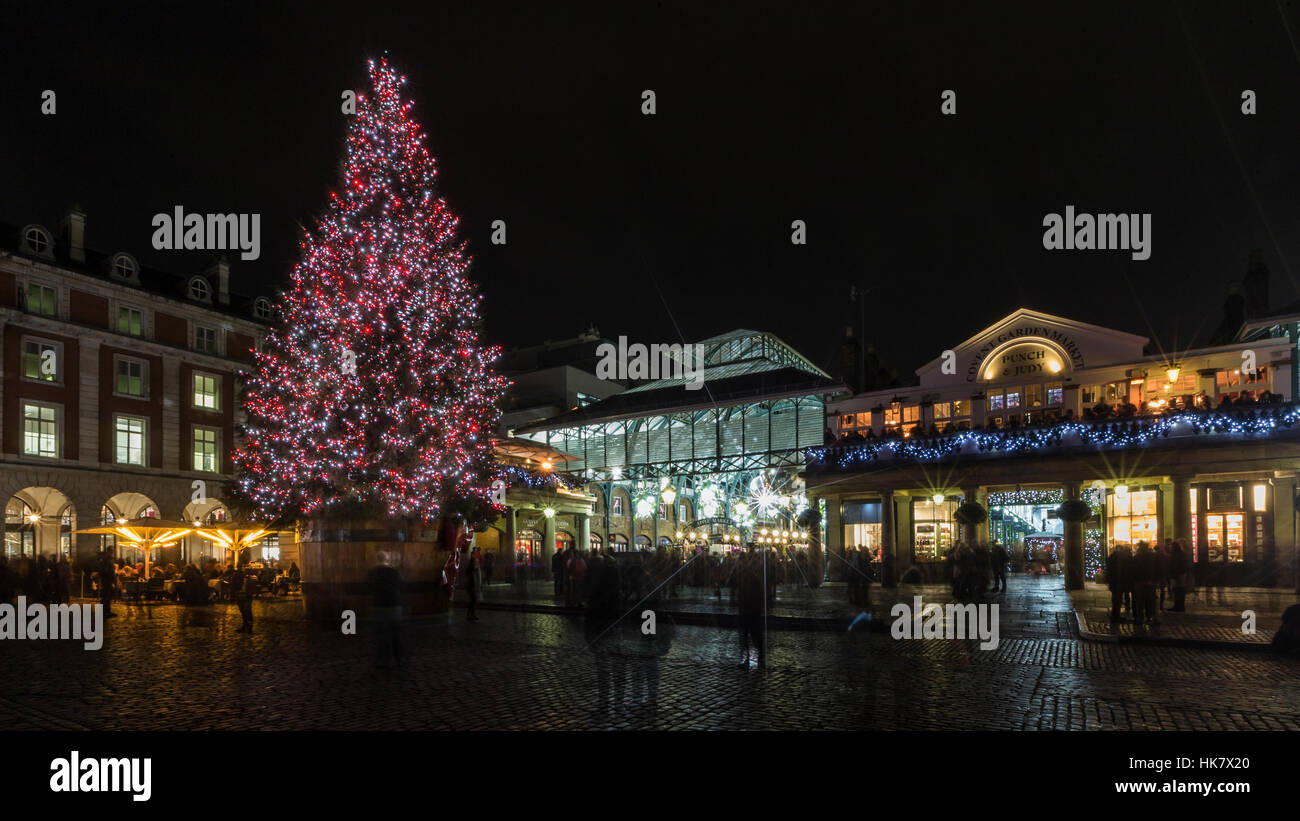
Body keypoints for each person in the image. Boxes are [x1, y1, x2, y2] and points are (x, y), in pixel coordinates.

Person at [368, 552, 404, 668]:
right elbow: (402, 586)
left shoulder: (372, 573)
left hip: (378, 606)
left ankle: (382, 659)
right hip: (394, 606)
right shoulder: (395, 572)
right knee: (396, 634)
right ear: (387, 559)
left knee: (381, 635)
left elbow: (367, 589)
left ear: (377, 559)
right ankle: (398, 658)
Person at [737, 551, 767, 667]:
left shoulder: (750, 579)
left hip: (750, 609)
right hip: (750, 609)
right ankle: (754, 655)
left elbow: (753, 594)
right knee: (750, 634)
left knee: (751, 634)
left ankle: (751, 655)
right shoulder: (752, 578)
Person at [1105, 545, 1132, 624]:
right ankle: (1116, 616)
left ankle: (1115, 614)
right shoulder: (1123, 559)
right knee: (1118, 599)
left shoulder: (1111, 558)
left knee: (1115, 599)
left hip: (1114, 582)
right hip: (1119, 582)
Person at [232, 565, 256, 632]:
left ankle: (249, 627)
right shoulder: (238, 576)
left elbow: (251, 587)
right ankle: (246, 626)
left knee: (247, 611)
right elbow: (234, 586)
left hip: (245, 595)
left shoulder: (248, 577)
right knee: (244, 611)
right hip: (241, 595)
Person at [463, 546, 482, 621]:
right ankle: (471, 615)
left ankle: (470, 615)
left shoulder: (473, 570)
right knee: (473, 600)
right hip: (470, 586)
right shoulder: (471, 570)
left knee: (472, 600)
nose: (477, 564)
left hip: (471, 586)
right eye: (476, 563)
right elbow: (470, 579)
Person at [97, 551, 118, 618]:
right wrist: (112, 579)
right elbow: (108, 572)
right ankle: (105, 612)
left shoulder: (105, 561)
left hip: (106, 581)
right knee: (107, 596)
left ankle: (105, 611)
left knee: (106, 596)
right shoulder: (108, 562)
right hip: (108, 581)